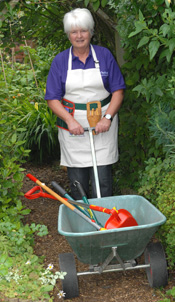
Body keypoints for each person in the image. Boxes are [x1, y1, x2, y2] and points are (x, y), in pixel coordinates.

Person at [45, 8, 126, 200]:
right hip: (73, 127)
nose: (79, 36)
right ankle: (84, 223)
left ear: (91, 31)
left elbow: (118, 91)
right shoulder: (60, 61)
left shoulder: (104, 56)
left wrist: (107, 118)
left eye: (83, 30)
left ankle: (105, 220)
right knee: (78, 182)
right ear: (68, 34)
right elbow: (52, 99)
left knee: (103, 180)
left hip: (103, 125)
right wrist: (70, 121)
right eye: (74, 32)